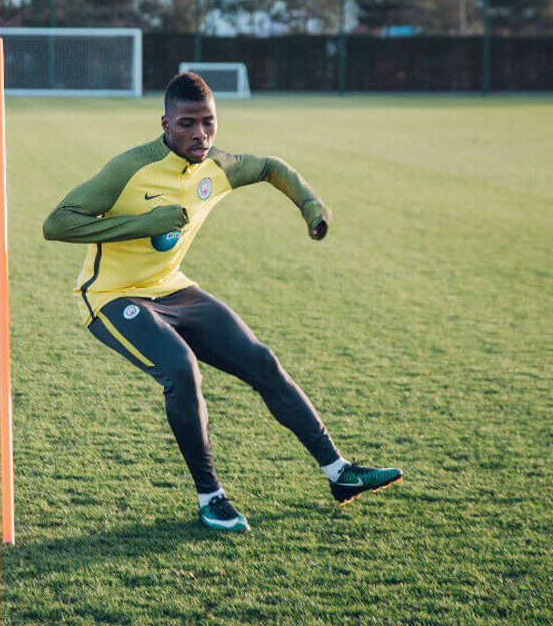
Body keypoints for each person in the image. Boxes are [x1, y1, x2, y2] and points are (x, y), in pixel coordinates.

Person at [42, 72, 402, 532]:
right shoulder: (128, 169)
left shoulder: (218, 166)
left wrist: (312, 206)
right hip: (111, 298)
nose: (200, 134)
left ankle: (339, 472)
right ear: (166, 124)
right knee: (180, 369)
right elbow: (57, 224)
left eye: (208, 122)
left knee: (261, 361)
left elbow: (272, 166)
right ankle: (211, 498)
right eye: (187, 123)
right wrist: (143, 223)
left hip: (172, 287)